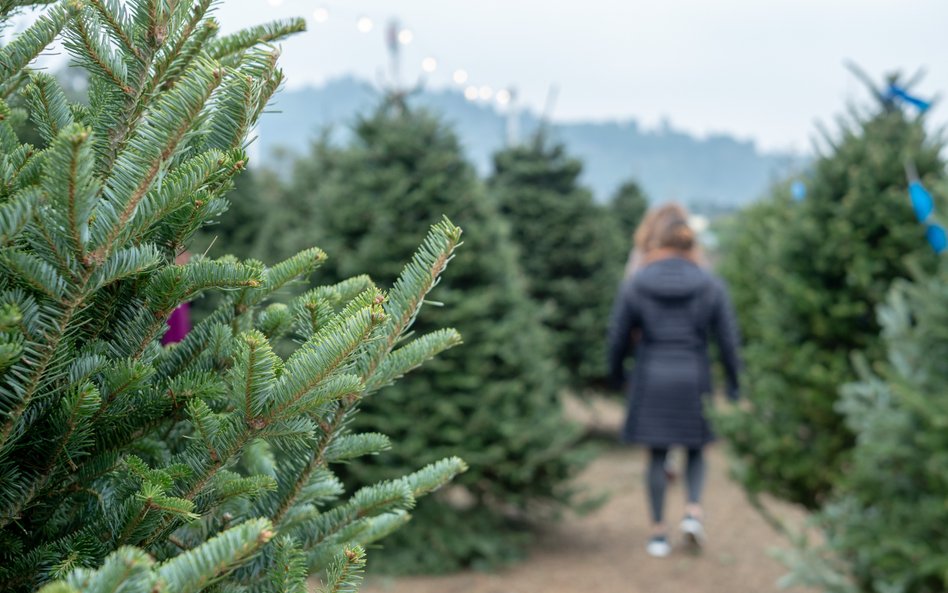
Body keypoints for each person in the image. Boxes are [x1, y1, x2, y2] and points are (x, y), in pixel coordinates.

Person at [607, 203, 741, 558]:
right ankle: (693, 512)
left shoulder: (637, 282)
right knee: (695, 448)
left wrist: (617, 376)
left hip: (651, 375)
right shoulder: (710, 284)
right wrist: (733, 383)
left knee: (657, 454)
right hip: (693, 374)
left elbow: (617, 336)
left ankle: (657, 534)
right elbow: (728, 339)